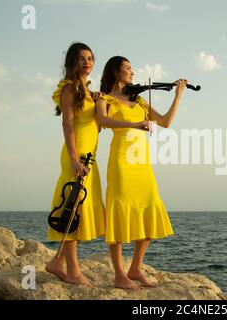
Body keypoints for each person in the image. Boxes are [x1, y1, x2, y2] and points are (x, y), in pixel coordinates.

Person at [96, 56, 187, 290]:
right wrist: (136, 125)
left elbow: (165, 123)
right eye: (127, 68)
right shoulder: (105, 99)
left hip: (141, 163)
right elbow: (103, 120)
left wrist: (178, 95)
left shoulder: (139, 102)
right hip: (121, 160)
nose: (132, 72)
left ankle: (135, 267)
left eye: (132, 69)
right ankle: (119, 274)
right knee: (119, 213)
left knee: (150, 207)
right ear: (115, 72)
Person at [45, 42, 106, 287]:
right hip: (76, 154)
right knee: (72, 208)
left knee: (78, 209)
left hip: (90, 155)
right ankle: (71, 270)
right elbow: (68, 125)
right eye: (81, 58)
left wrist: (99, 102)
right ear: (71, 62)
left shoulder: (89, 92)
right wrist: (73, 158)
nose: (87, 62)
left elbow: (97, 127)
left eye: (90, 58)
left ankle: (58, 262)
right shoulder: (70, 89)